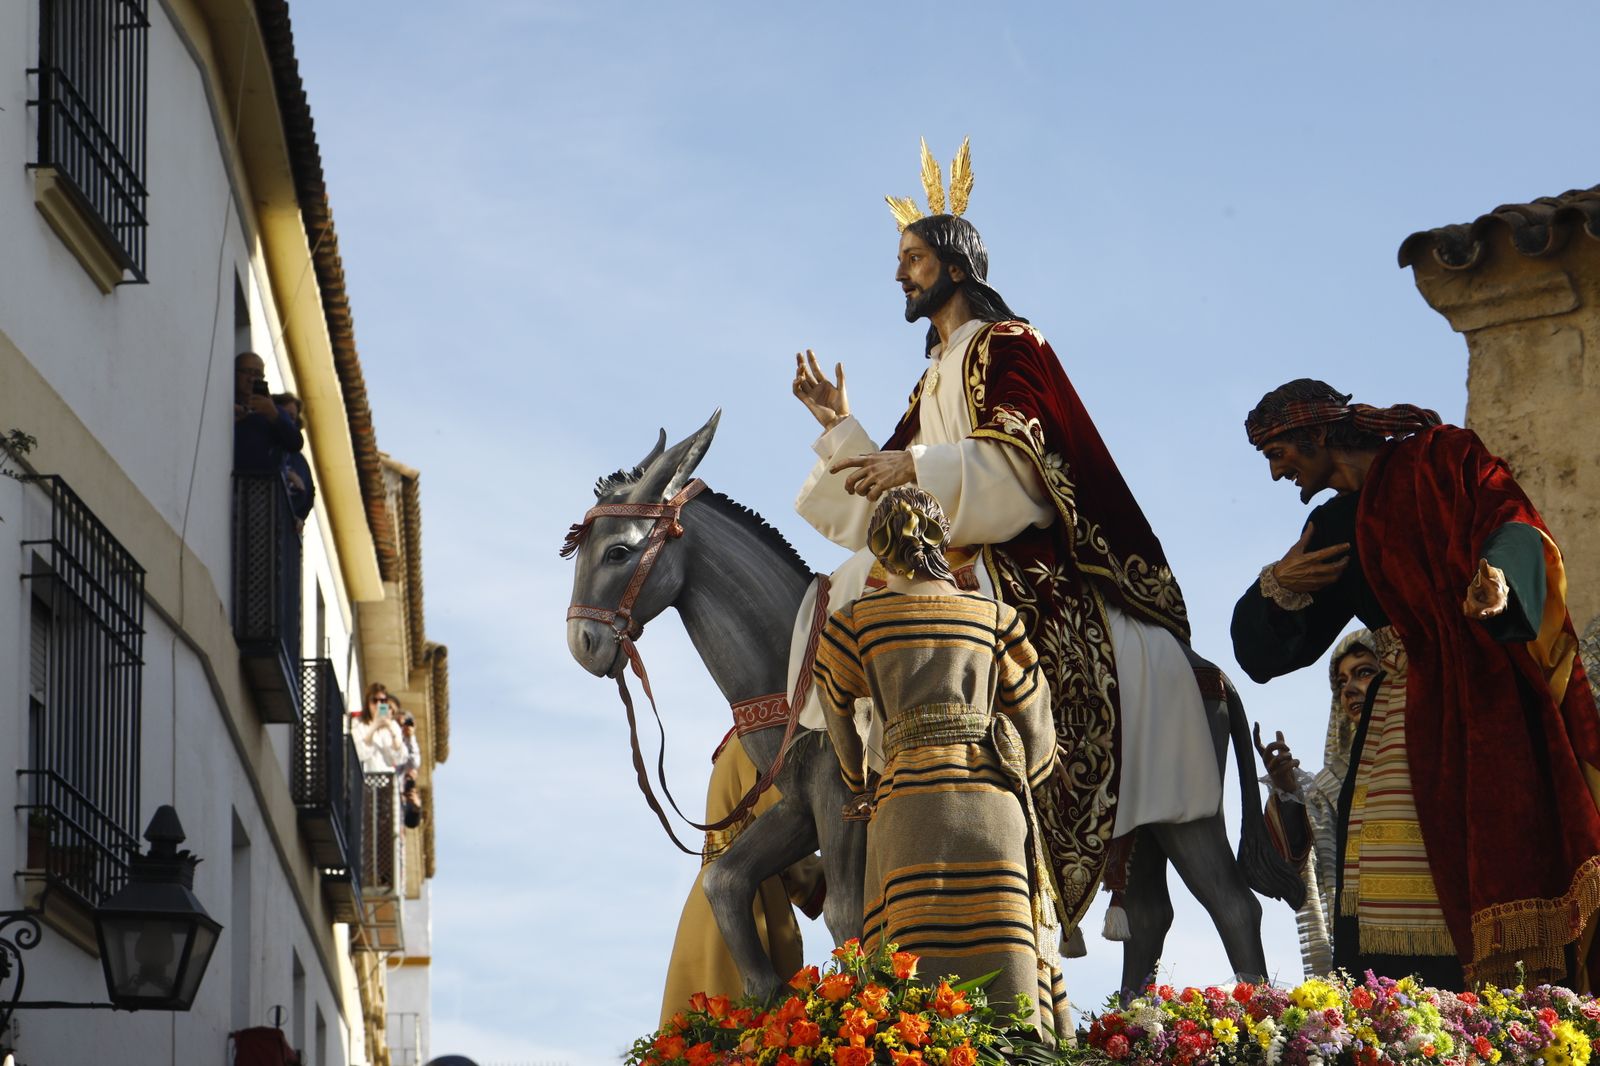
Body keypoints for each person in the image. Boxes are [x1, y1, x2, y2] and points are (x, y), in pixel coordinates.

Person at [790, 144, 1215, 933]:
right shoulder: (937, 370)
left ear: (955, 265)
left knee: (905, 603)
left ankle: (1010, 773)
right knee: (844, 590)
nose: (899, 275)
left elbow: (1023, 458)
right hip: (946, 540)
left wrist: (912, 467)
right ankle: (857, 786)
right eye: (900, 259)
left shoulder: (1012, 344)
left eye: (913, 258)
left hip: (1012, 546)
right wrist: (839, 428)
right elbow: (887, 479)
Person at [1230, 378, 1600, 988]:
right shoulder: (1337, 527)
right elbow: (1261, 654)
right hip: (1403, 720)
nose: (1276, 475)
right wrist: (1281, 582)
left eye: (1279, 453)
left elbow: (1511, 518)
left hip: (1491, 703)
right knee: (1388, 896)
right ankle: (1409, 1034)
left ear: (1318, 432)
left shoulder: (1443, 460)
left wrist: (1500, 582)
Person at [813, 486, 1069, 1039]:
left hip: (908, 808)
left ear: (880, 549)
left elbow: (834, 705)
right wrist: (1030, 773)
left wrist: (858, 780)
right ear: (941, 541)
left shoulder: (855, 621)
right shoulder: (995, 616)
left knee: (914, 1008)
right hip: (993, 808)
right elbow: (1035, 718)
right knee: (1011, 1005)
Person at [1253, 630, 1381, 976]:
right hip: (1361, 939)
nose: (1349, 689)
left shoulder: (1436, 758)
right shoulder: (1331, 784)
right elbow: (1302, 855)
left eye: (1365, 673)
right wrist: (1287, 792)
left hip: (1436, 926)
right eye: (1341, 681)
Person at [233, 352, 302, 474]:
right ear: (234, 372)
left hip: (256, 487)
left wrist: (274, 416)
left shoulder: (273, 411)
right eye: (246, 372)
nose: (251, 379)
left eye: (258, 375)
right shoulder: (223, 400)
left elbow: (296, 442)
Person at [273, 391, 316, 522]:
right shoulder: (262, 437)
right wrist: (288, 475)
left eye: (291, 417)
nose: (286, 420)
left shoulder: (300, 462)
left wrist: (299, 520)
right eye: (283, 413)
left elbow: (308, 497)